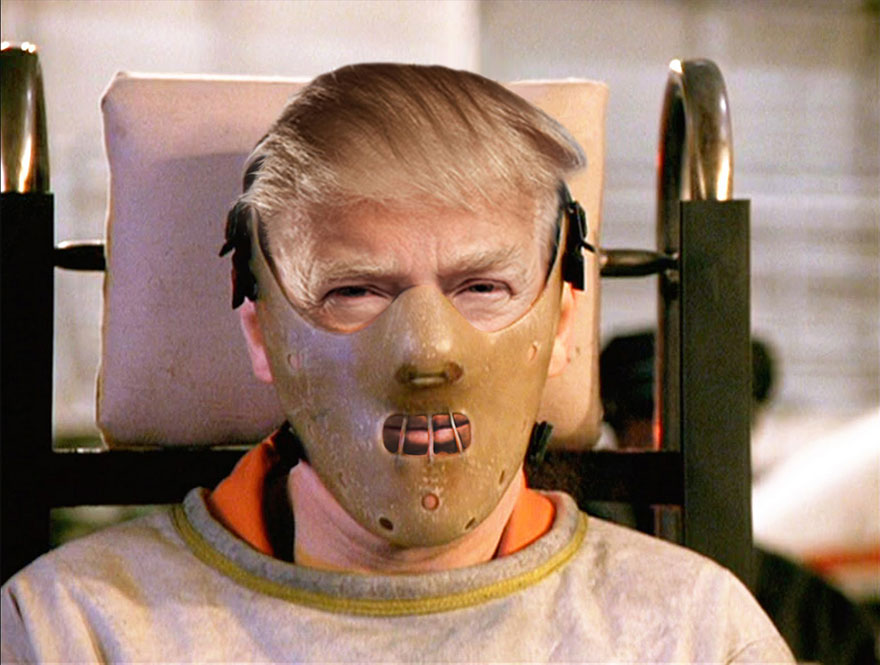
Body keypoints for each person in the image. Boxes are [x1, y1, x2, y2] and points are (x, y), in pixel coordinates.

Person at [0, 63, 793, 663]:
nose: (427, 352)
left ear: (563, 323)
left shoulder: (693, 632)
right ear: (260, 333)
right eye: (355, 290)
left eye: (482, 287)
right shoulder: (77, 629)